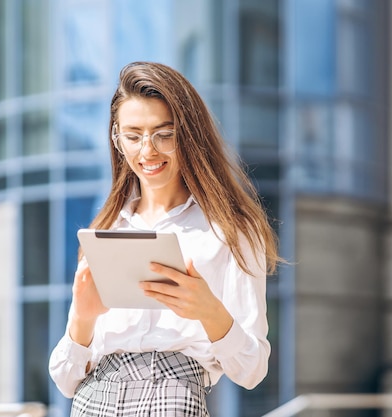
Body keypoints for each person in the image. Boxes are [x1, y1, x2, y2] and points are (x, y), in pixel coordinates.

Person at [49, 61, 280, 417]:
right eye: (133, 135)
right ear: (116, 138)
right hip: (94, 398)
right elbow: (65, 379)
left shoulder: (229, 230)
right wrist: (82, 319)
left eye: (164, 133)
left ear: (188, 135)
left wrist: (210, 313)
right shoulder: (108, 229)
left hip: (174, 394)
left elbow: (252, 371)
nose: (147, 151)